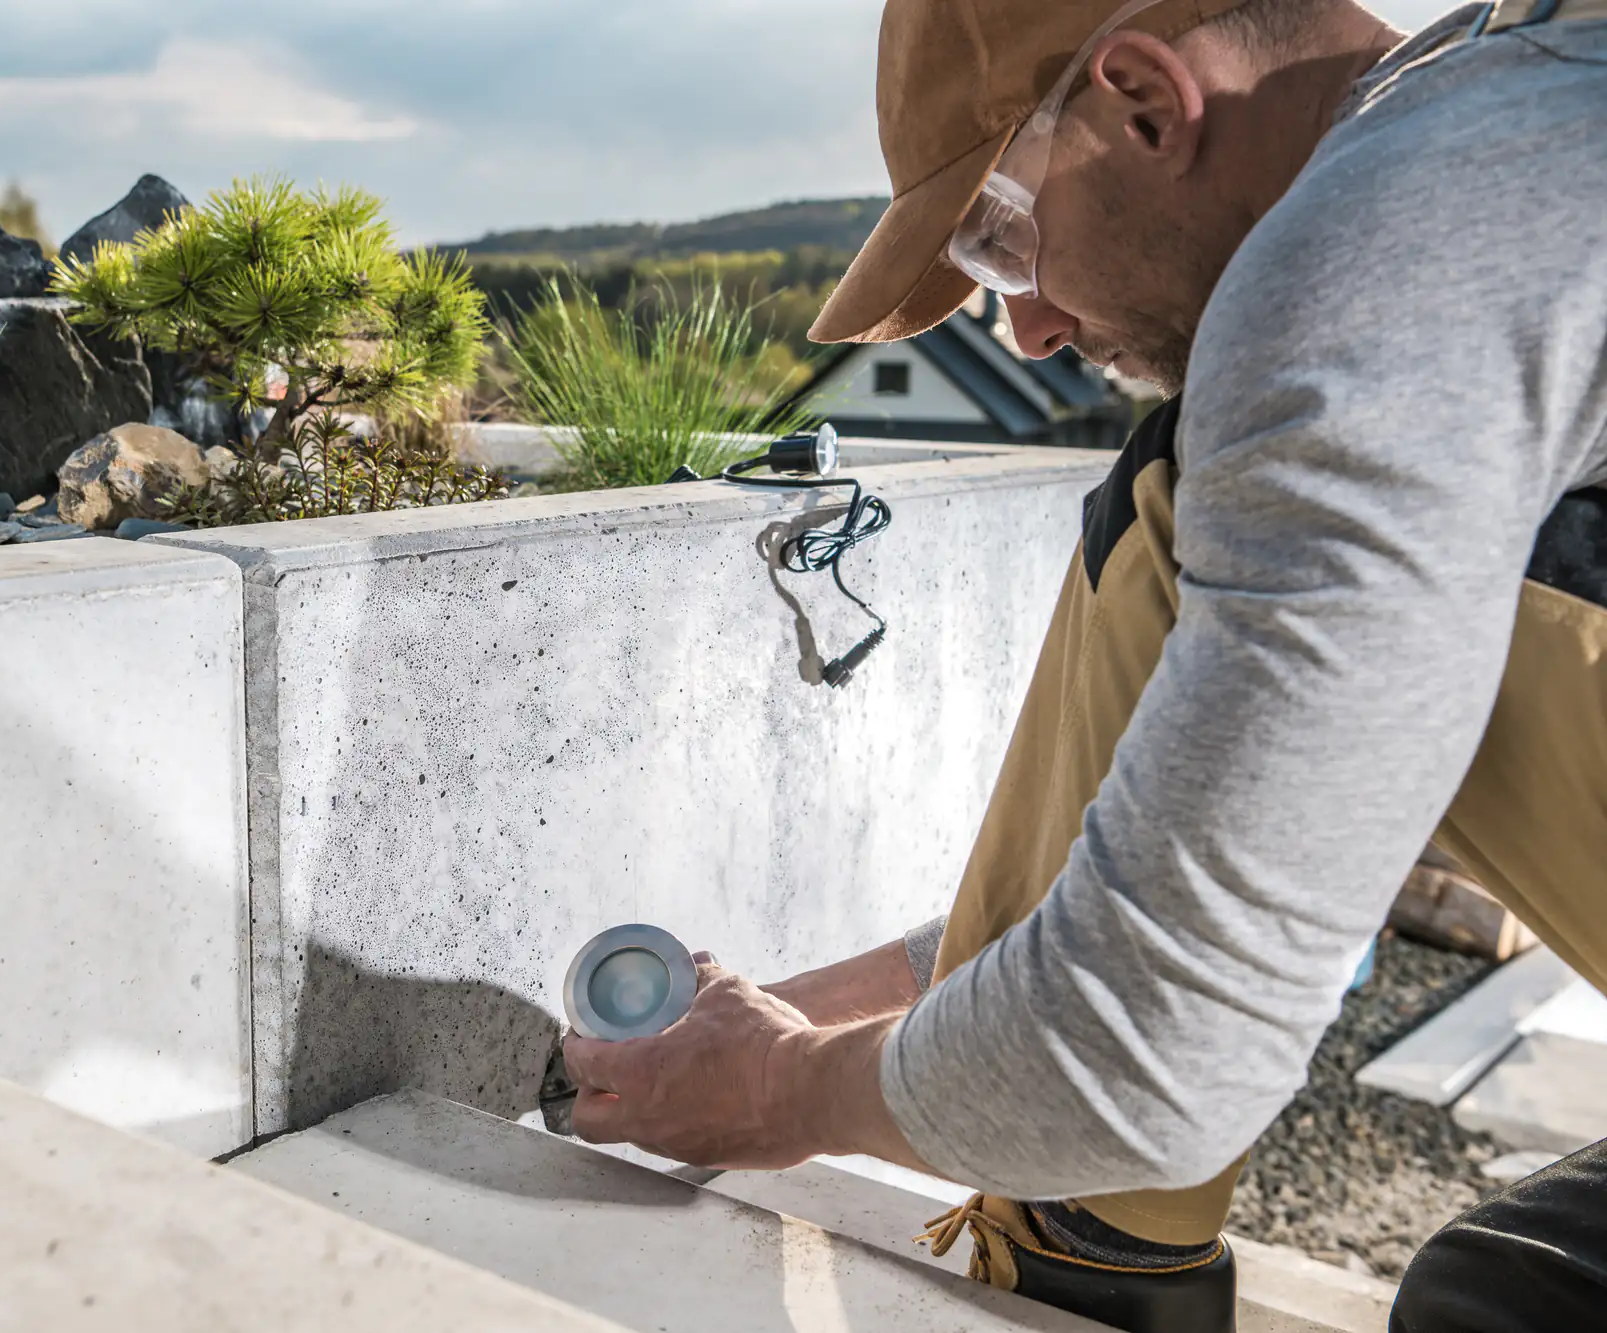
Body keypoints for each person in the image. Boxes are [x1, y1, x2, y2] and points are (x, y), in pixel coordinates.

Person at [558, 1, 1607, 1330]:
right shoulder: (1512, 97)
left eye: (1001, 243)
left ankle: (1083, 1257)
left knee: (1506, 1313)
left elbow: (1148, 1059)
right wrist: (773, 1021)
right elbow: (1269, 826)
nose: (1031, 330)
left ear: (1145, 104)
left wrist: (776, 1092)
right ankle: (1082, 1247)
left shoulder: (1393, 236)